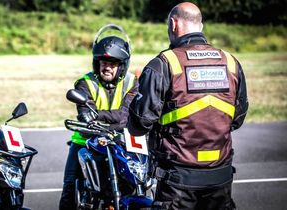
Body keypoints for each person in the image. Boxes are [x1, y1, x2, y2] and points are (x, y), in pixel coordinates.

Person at [127, 2, 248, 210]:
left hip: (177, 181)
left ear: (173, 25)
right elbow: (237, 118)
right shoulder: (231, 63)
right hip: (220, 177)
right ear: (200, 26)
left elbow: (138, 124)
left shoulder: (164, 64)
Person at [59, 24, 139, 209]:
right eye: (103, 63)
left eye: (112, 63)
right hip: (86, 140)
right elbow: (85, 113)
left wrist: (100, 117)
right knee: (70, 188)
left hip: (122, 141)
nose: (107, 67)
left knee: (136, 183)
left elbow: (125, 115)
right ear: (97, 63)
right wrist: (99, 120)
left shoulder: (132, 84)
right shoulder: (85, 83)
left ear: (122, 66)